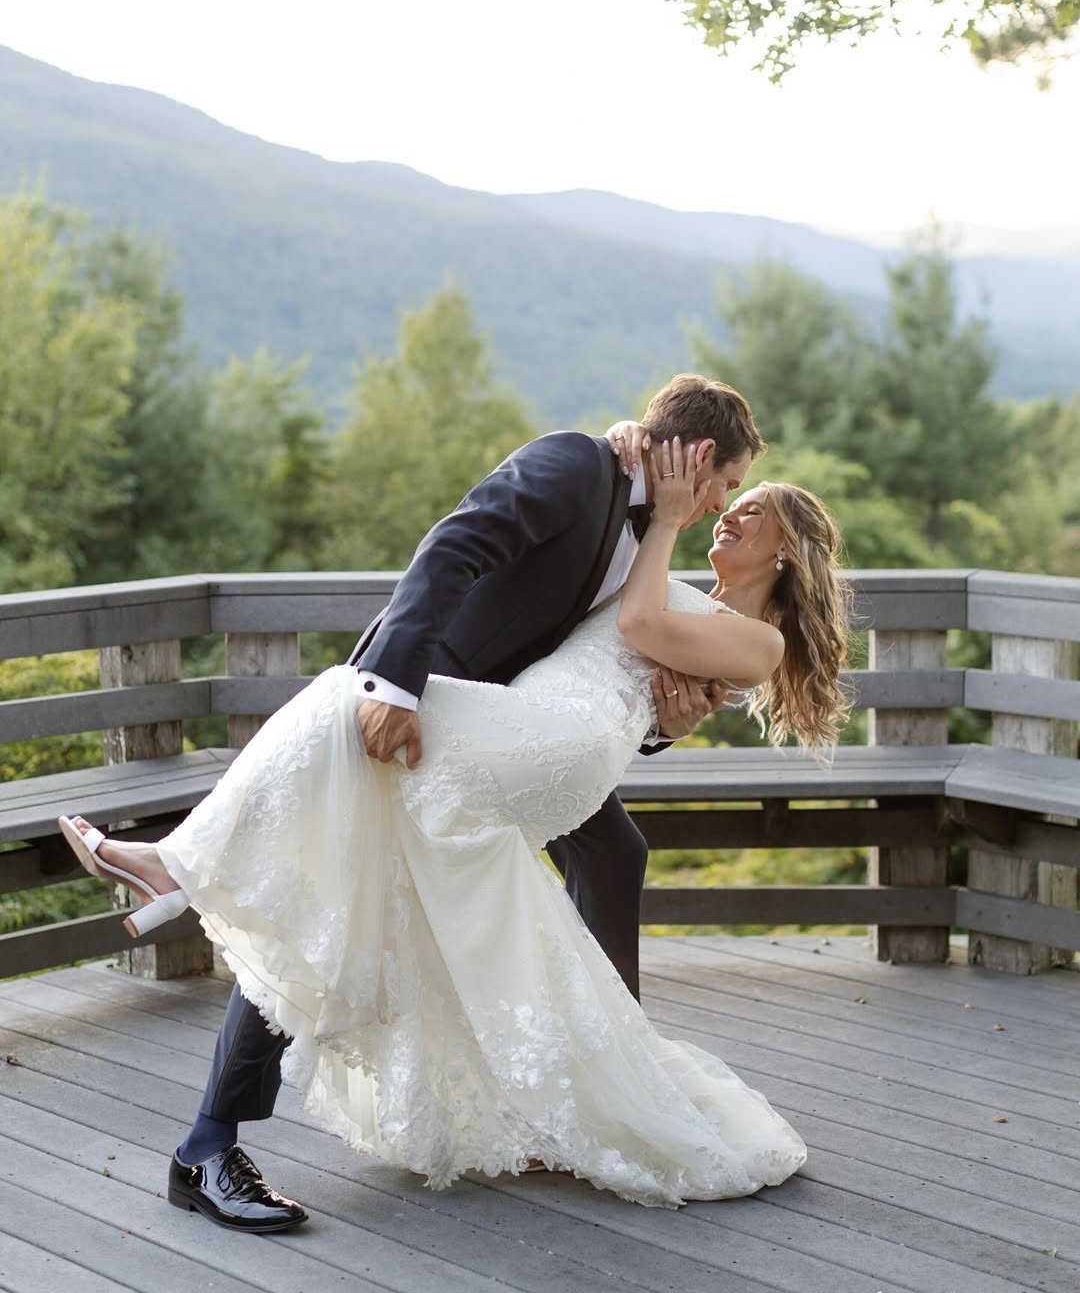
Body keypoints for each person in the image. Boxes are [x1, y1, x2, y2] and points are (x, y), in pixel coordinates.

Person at [59, 377, 848, 1221]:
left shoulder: (658, 538)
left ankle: (181, 880)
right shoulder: (583, 468)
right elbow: (456, 545)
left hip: (519, 735)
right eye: (726, 485)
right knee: (345, 871)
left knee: (370, 811)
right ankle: (215, 1126)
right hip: (459, 708)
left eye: (739, 502)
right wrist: (394, 685)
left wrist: (667, 720)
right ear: (695, 457)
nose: (720, 506)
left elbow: (630, 668)